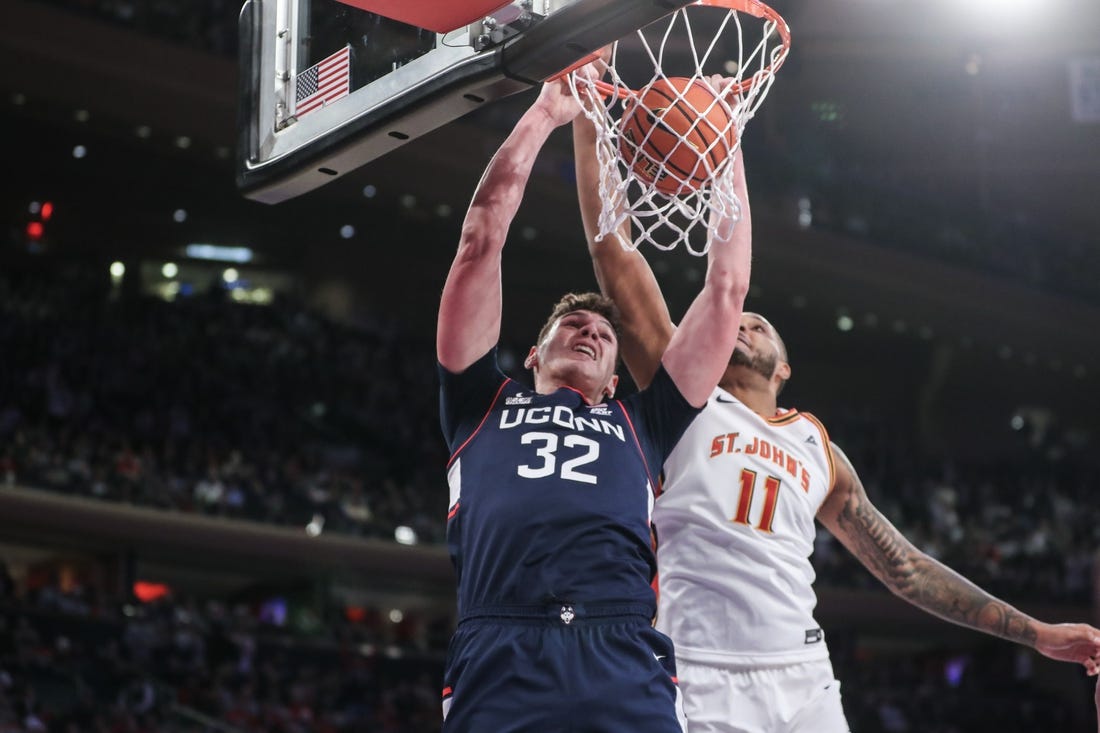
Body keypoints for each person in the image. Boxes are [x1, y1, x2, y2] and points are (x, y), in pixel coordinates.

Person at [573, 102, 1100, 733]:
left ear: (784, 369)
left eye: (759, 325)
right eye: (735, 321)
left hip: (801, 677)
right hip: (698, 668)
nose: (743, 325)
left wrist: (1036, 633)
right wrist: (587, 120)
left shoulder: (816, 446)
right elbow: (615, 252)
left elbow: (903, 569)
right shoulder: (677, 400)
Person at [435, 63, 754, 732]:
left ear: (616, 378)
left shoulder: (644, 421)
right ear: (531, 354)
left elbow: (726, 291)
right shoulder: (478, 401)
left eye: (604, 333)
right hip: (503, 645)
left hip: (620, 649)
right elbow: (480, 239)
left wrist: (725, 140)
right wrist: (544, 114)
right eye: (572, 325)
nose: (588, 330)